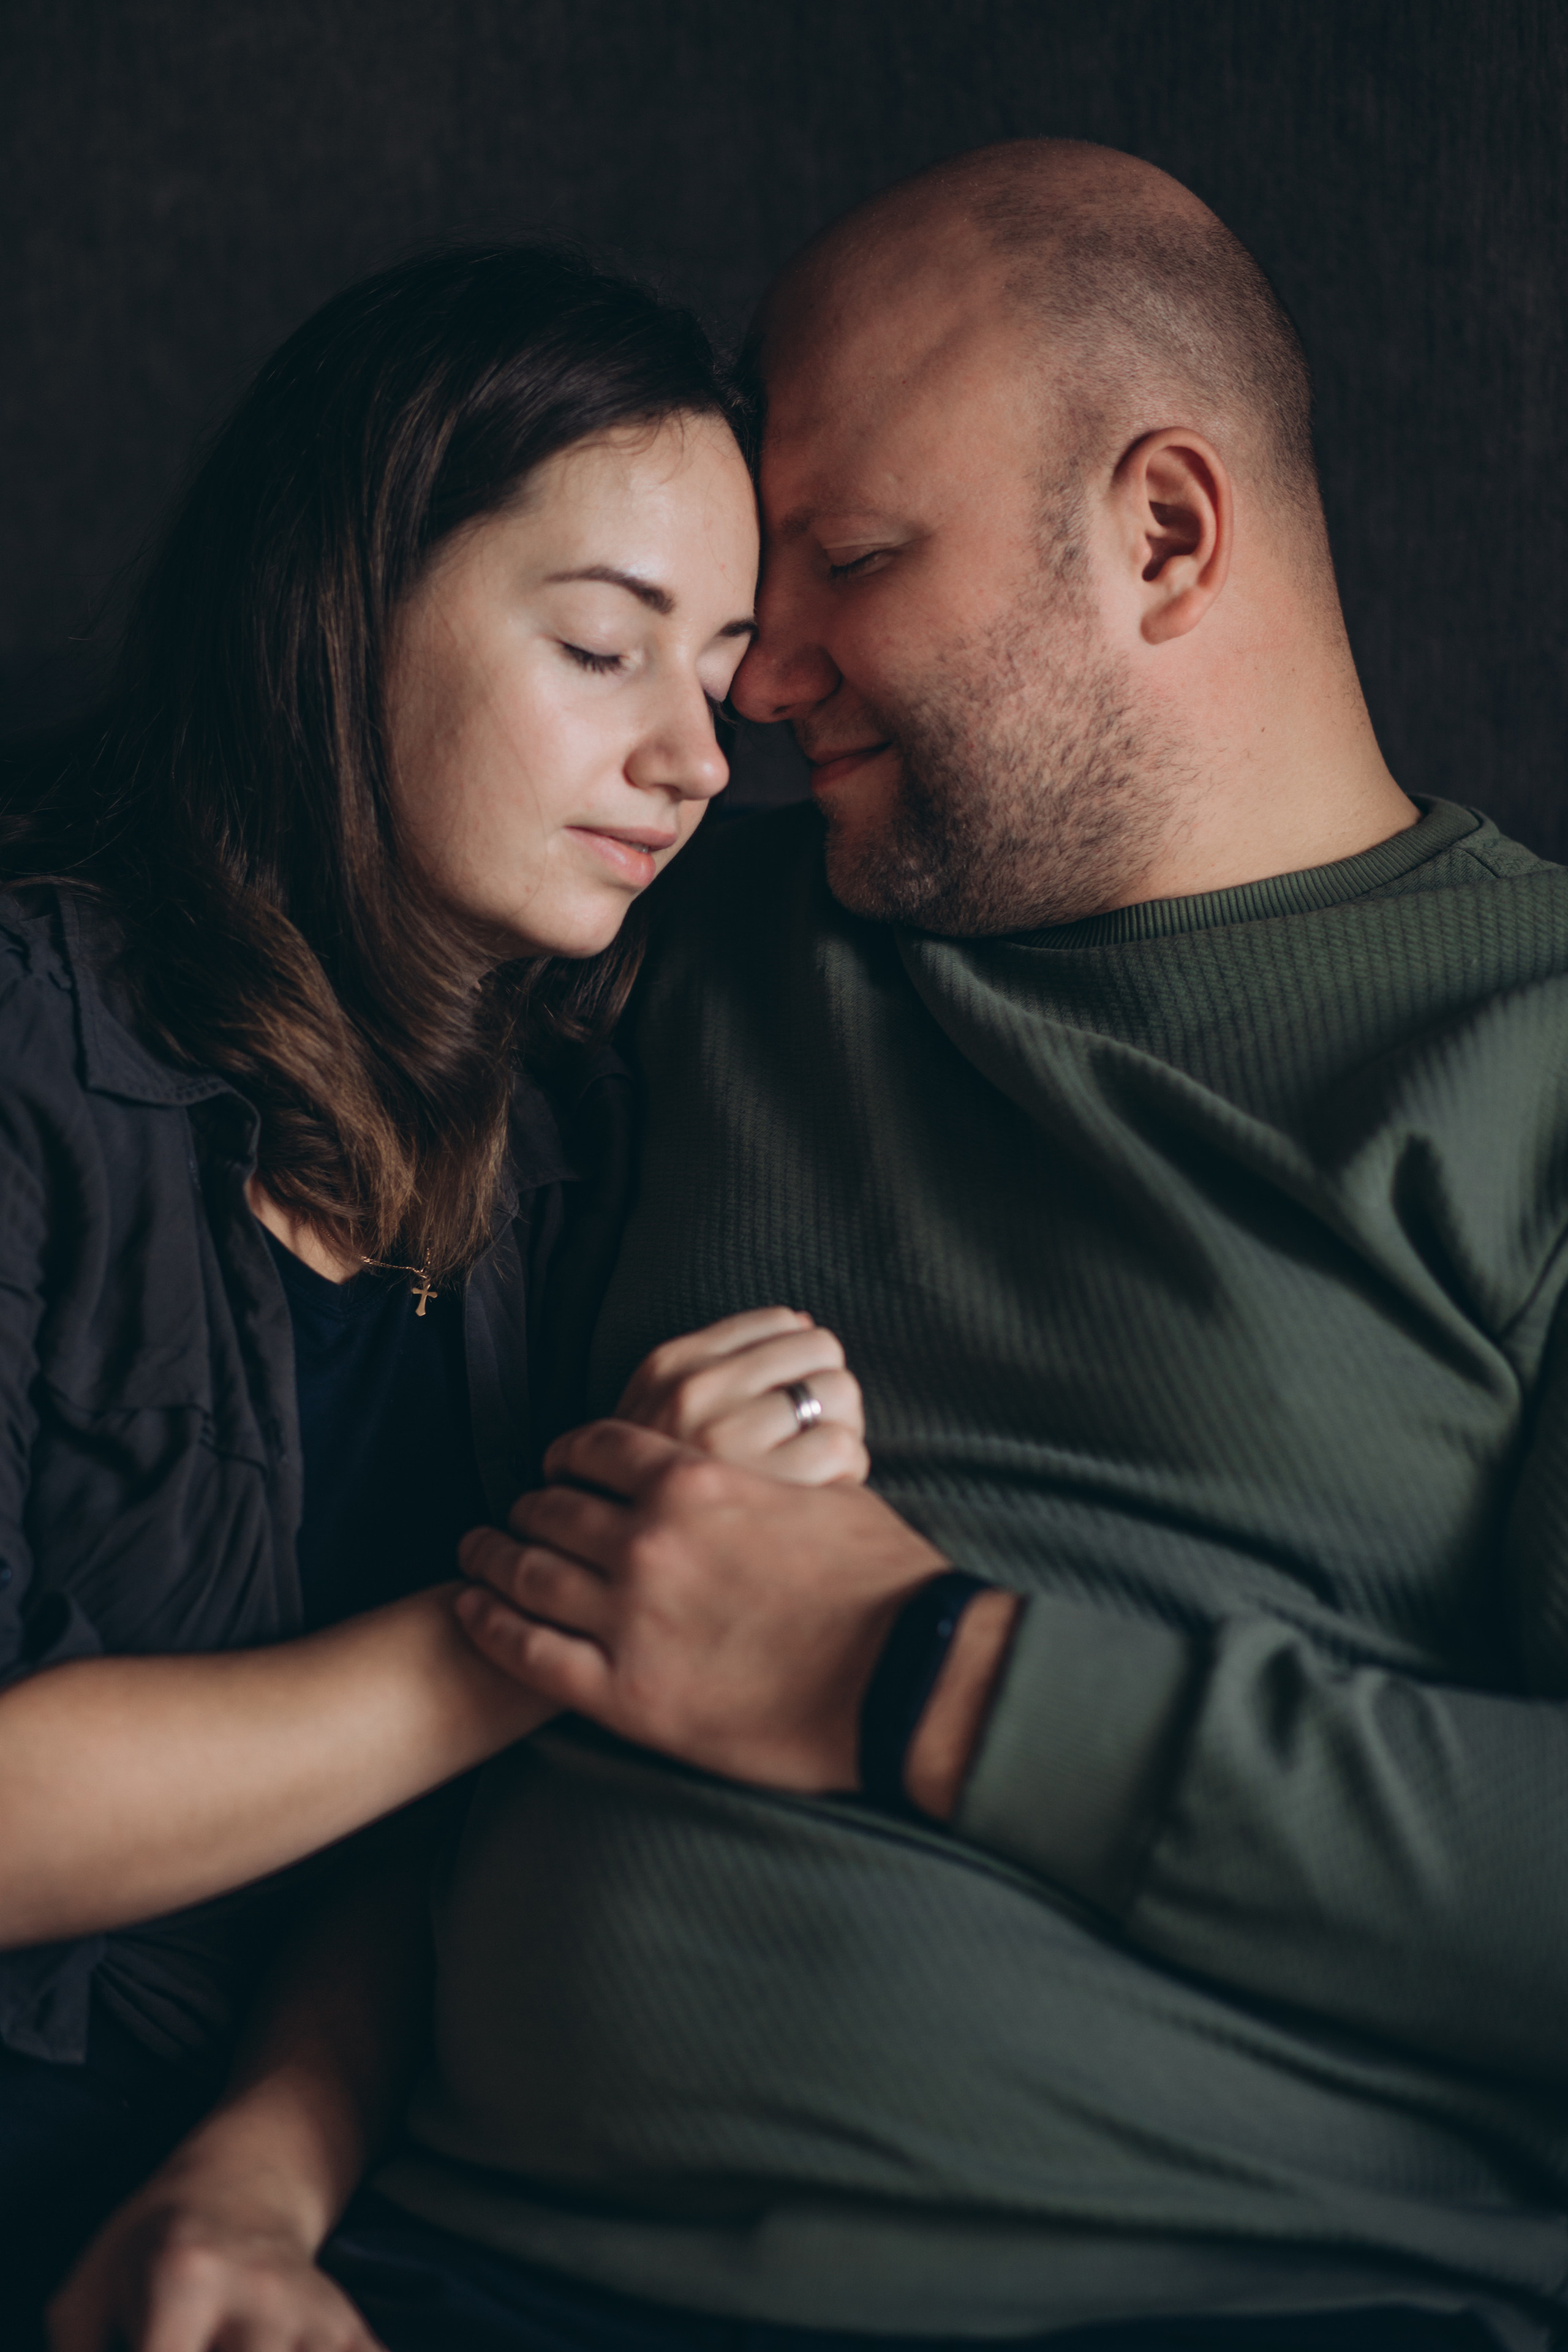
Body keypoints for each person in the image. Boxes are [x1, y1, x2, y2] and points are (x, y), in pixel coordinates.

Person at [55, 140, 1568, 2352]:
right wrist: (251, 2184)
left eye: (845, 563)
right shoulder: (672, 950)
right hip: (457, 2274)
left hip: (1242, 2297)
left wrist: (919, 1674)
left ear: (1163, 532)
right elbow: (423, 1595)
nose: (748, 701)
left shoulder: (1524, 1057)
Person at [0, 241, 871, 2339]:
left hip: (307, 2189)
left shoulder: (558, 1146)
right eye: (602, 645)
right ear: (342, 610)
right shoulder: (36, 1050)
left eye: (723, 668)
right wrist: (573, 1606)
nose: (694, 759)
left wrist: (256, 2186)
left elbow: (412, 1842)